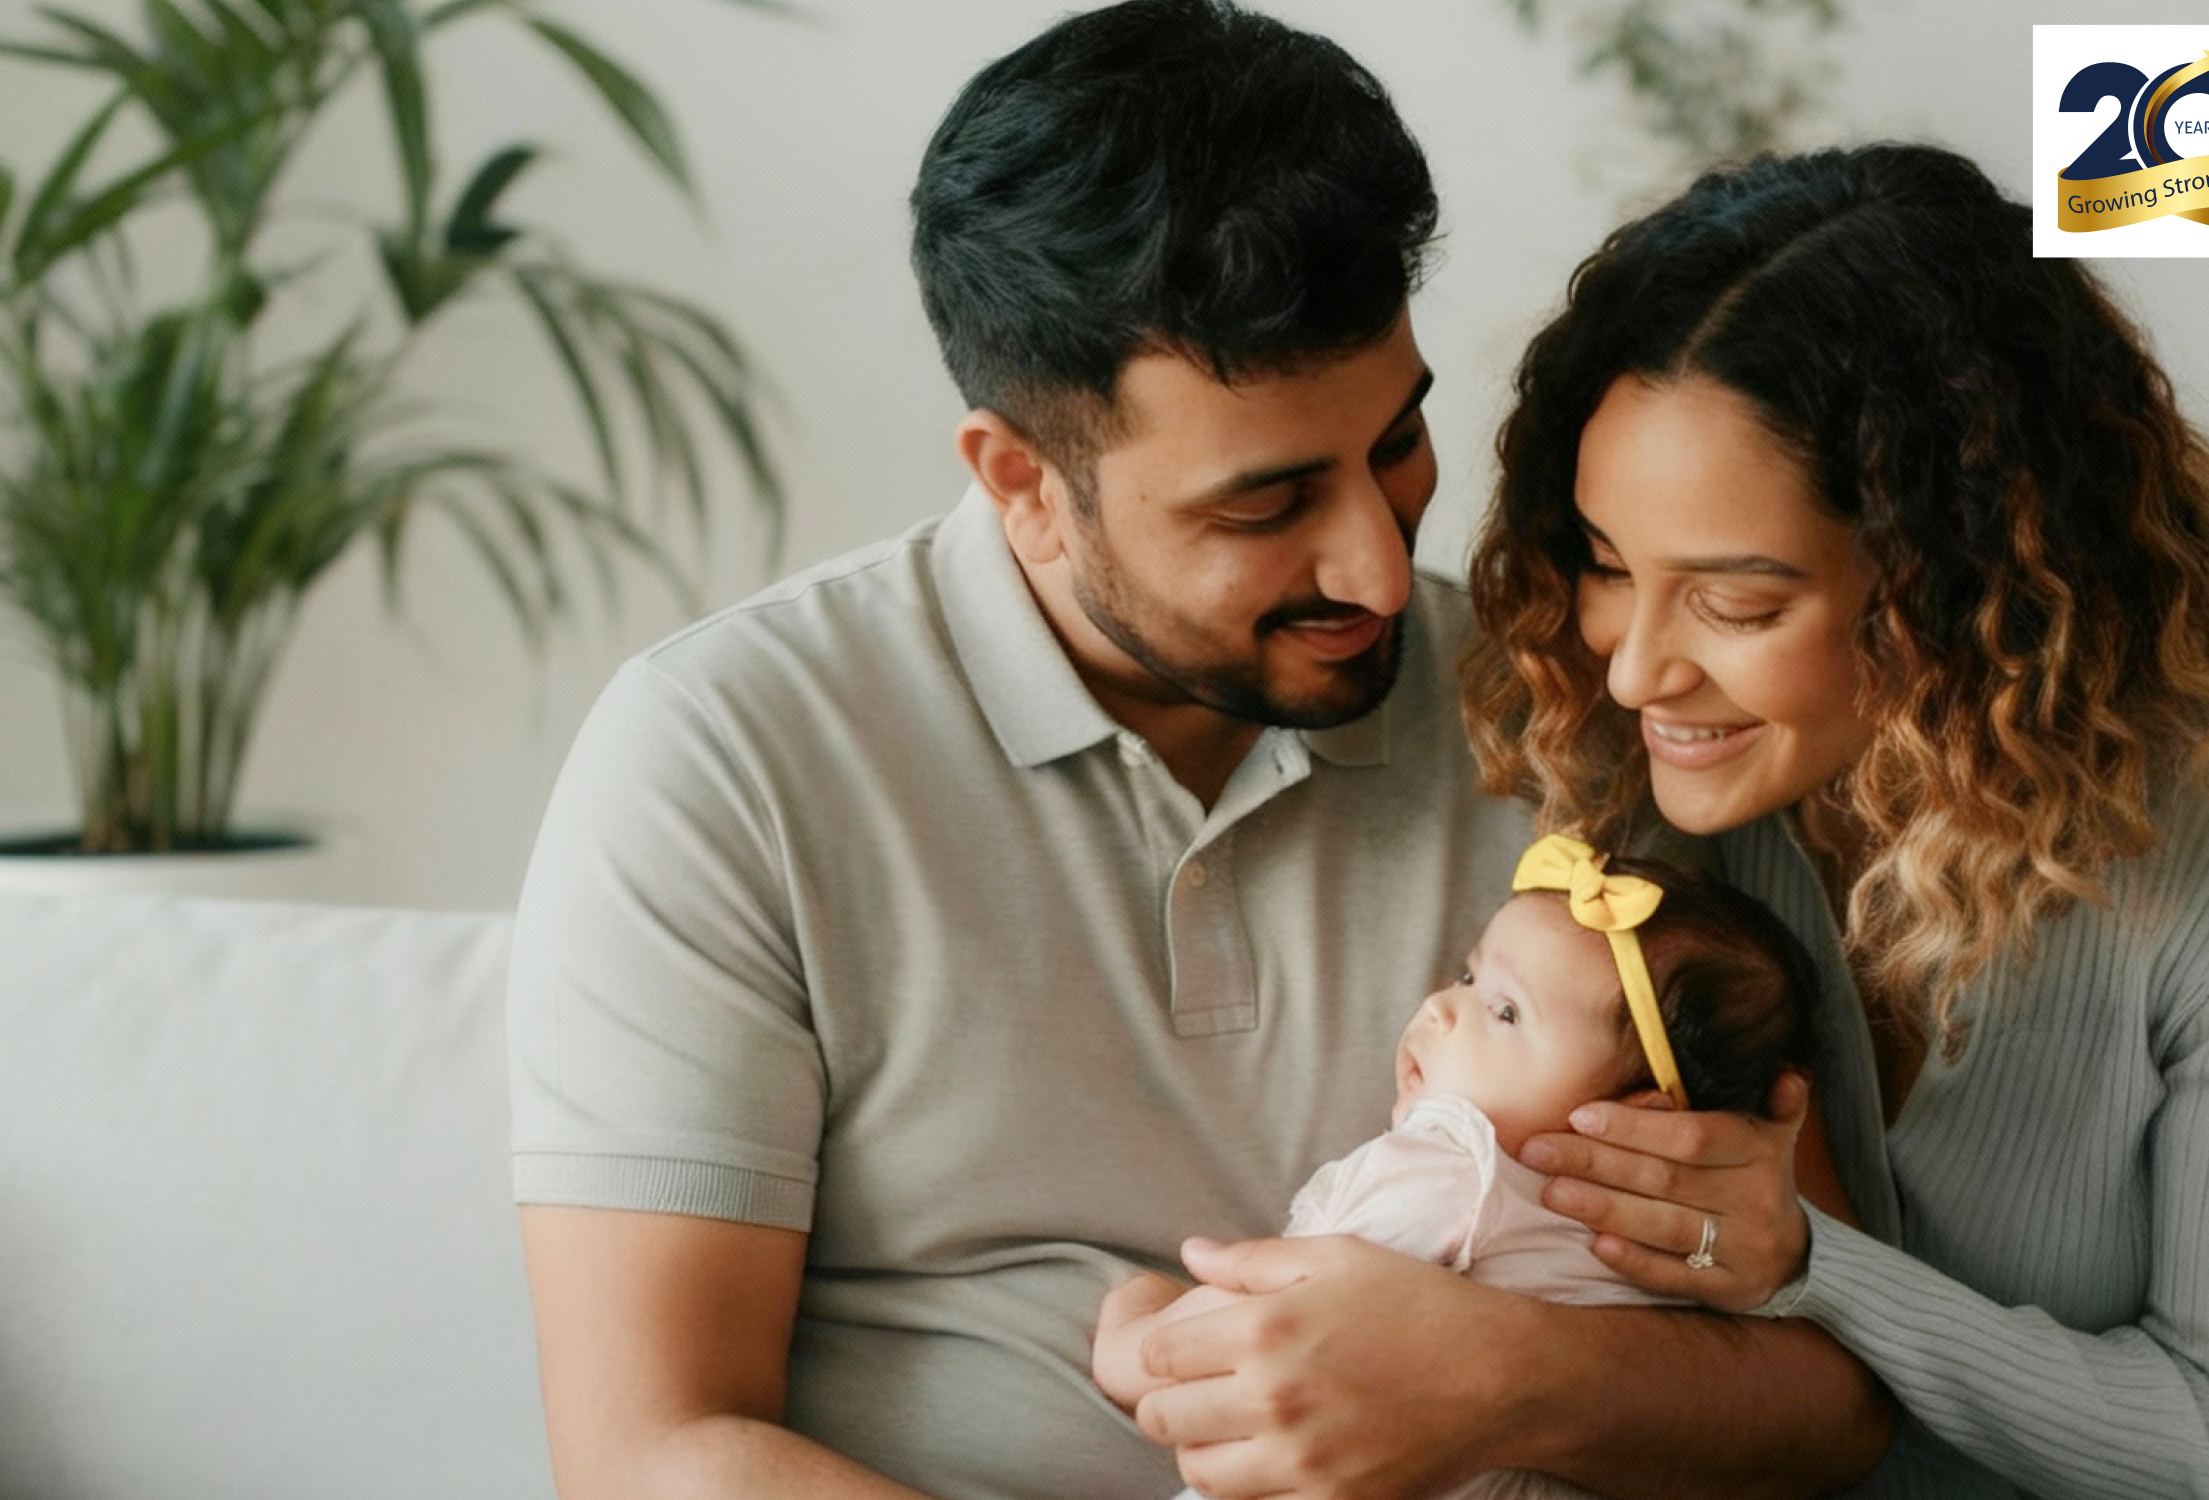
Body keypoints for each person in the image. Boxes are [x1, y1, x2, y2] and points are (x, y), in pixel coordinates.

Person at [507, 4, 1885, 1498]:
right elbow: (653, 1451)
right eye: (1265, 506)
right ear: (1024, 482)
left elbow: (1833, 1389)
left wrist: (1506, 1379)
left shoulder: (1577, 713)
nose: (1375, 568)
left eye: (1399, 443)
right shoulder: (725, 761)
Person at [1463, 143, 2209, 1497]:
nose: (1635, 668)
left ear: (1954, 585)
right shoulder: (1645, 796)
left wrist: (1813, 1267)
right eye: (1610, 568)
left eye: (1737, 604)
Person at [1098, 834, 1827, 1500]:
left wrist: (1134, 1323)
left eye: (1506, 1012)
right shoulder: (1682, 1255)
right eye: (1467, 975)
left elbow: (1246, 1342)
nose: (1442, 1008)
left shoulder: (1453, 1171)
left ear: (1637, 1119)